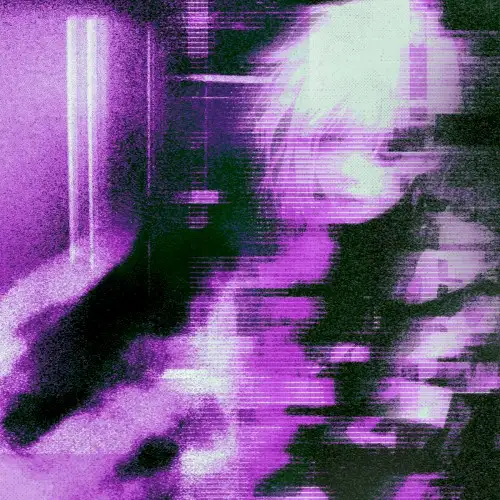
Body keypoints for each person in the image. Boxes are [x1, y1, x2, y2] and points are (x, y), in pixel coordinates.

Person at [0, 0, 496, 498]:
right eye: (331, 137)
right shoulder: (190, 246)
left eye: (393, 147)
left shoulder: (416, 263)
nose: (354, 176)